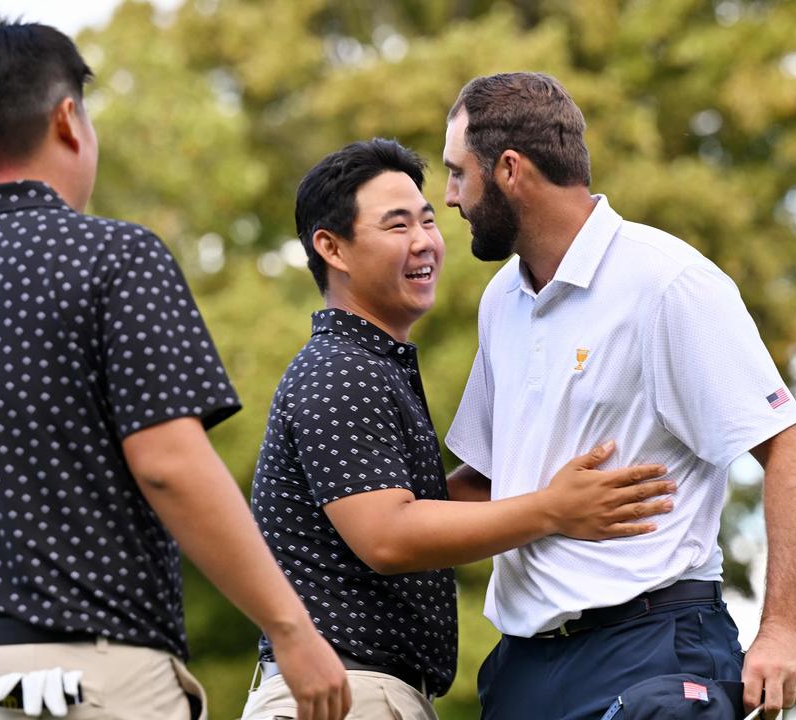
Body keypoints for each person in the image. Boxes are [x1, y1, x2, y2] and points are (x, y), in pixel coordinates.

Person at [0, 18, 348, 720]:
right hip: (76, 679)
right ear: (69, 119)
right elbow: (169, 464)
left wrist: (0, 540)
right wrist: (292, 628)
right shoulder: (112, 258)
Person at [240, 139, 676, 720]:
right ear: (332, 248)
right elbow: (389, 536)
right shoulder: (341, 371)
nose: (425, 241)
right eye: (396, 226)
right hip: (344, 695)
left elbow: (443, 499)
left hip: (367, 692)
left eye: (426, 220)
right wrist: (553, 509)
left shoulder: (371, 363)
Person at [440, 72, 796, 720]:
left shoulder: (668, 283)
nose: (450, 197)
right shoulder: (499, 300)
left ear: (509, 170)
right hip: (520, 673)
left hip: (653, 655)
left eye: (458, 174)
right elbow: (485, 486)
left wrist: (784, 627)